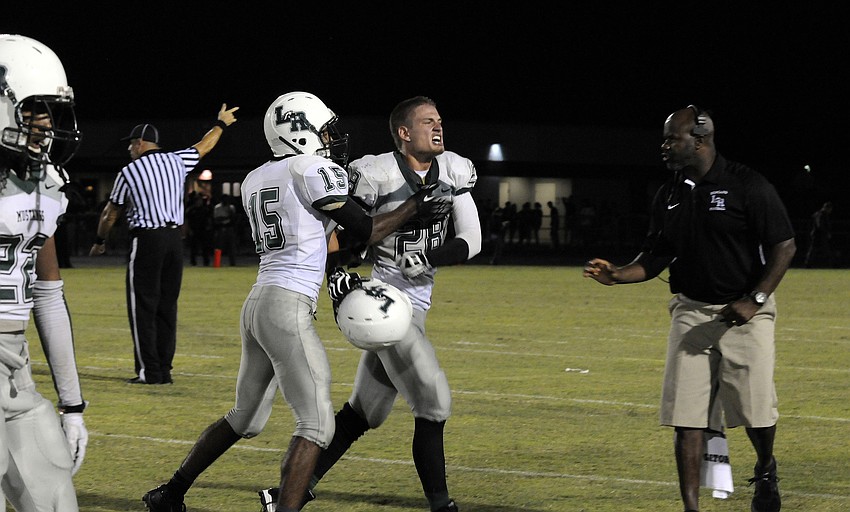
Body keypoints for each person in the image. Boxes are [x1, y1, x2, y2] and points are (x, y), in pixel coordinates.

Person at [141, 91, 443, 512]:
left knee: (245, 416)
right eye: (324, 131)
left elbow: (316, 237)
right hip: (286, 306)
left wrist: (341, 267)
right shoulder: (312, 168)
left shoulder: (256, 178)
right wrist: (415, 205)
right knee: (317, 425)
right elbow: (367, 230)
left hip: (258, 303)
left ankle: (169, 493)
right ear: (298, 132)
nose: (331, 140)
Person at [260, 95, 481, 512]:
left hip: (416, 303)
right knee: (434, 404)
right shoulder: (374, 173)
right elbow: (337, 236)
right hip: (386, 305)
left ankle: (287, 493)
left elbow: (472, 240)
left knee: (366, 413)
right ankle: (442, 505)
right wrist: (341, 270)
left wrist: (428, 257)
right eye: (427, 121)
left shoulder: (454, 168)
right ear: (404, 132)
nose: (438, 127)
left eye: (439, 120)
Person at [583, 105, 796, 512]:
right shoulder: (669, 193)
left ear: (699, 141)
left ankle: (766, 466)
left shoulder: (748, 185)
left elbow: (784, 245)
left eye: (671, 138)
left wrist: (756, 300)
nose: (664, 146)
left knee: (755, 410)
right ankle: (691, 508)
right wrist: (618, 274)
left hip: (745, 313)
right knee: (687, 416)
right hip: (691, 311)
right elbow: (657, 255)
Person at [89, 103, 239, 384]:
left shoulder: (129, 172)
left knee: (143, 306)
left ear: (140, 143)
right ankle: (164, 370)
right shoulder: (177, 160)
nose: (129, 149)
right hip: (173, 241)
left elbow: (110, 213)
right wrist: (221, 124)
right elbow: (205, 145)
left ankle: (150, 372)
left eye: (131, 144)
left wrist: (99, 240)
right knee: (167, 306)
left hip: (147, 240)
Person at [0, 33, 88, 510]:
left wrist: (72, 405)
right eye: (32, 109)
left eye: (50, 111)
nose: (45, 124)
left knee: (56, 499)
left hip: (17, 372)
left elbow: (49, 297)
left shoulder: (45, 186)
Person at [185, 170, 215, 266]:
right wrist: (188, 229)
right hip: (195, 230)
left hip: (203, 230)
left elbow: (210, 217)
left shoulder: (205, 209)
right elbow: (188, 220)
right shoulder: (192, 210)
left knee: (205, 247)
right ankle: (193, 262)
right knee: (194, 248)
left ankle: (206, 262)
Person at [803, 201, 834, 268]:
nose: (830, 211)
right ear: (827, 208)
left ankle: (808, 264)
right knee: (822, 250)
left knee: (814, 250)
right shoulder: (821, 214)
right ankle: (829, 264)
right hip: (819, 235)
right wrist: (826, 232)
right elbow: (819, 225)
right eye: (830, 209)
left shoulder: (817, 214)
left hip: (817, 234)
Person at [213, 193, 238, 266]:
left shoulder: (231, 207)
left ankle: (232, 262)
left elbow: (233, 218)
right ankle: (217, 262)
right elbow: (217, 218)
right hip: (221, 228)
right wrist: (226, 218)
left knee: (231, 246)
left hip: (229, 228)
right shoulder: (217, 207)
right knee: (219, 246)